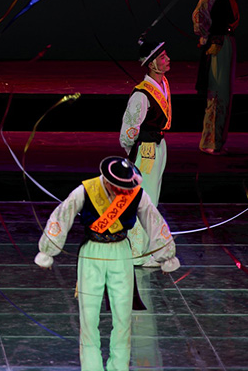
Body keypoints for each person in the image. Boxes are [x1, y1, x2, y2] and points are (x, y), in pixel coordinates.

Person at [35, 156, 179, 371]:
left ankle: (119, 367)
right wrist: (48, 251)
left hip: (121, 253)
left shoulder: (136, 193)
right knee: (88, 316)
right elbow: (62, 215)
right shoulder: (86, 190)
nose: (122, 191)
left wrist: (166, 256)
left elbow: (154, 221)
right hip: (92, 252)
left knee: (123, 317)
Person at [192, 0, 248, 155]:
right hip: (218, 43)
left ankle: (216, 141)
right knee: (217, 93)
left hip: (226, 42)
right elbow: (200, 13)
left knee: (224, 94)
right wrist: (207, 37)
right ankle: (210, 142)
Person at [119, 38, 171, 266]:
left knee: (152, 198)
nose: (167, 59)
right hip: (146, 149)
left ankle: (147, 249)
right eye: (162, 57)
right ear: (151, 64)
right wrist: (134, 152)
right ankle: (136, 251)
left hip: (159, 146)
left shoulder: (163, 84)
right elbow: (129, 130)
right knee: (143, 198)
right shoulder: (141, 94)